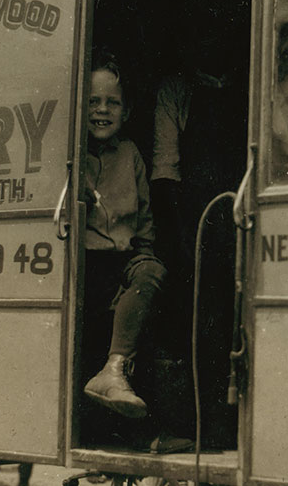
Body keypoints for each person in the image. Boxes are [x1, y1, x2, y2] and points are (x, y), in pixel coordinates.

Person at [149, 29, 249, 449]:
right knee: (200, 319)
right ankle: (204, 430)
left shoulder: (247, 85)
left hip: (242, 214)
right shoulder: (176, 91)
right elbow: (165, 168)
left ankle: (237, 427)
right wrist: (184, 240)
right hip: (194, 220)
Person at [81, 51, 167, 421]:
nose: (102, 110)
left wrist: (144, 256)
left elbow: (145, 218)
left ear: (127, 111)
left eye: (112, 102)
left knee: (151, 273)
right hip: (87, 262)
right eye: (93, 101)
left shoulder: (130, 154)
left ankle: (113, 372)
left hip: (123, 260)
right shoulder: (71, 154)